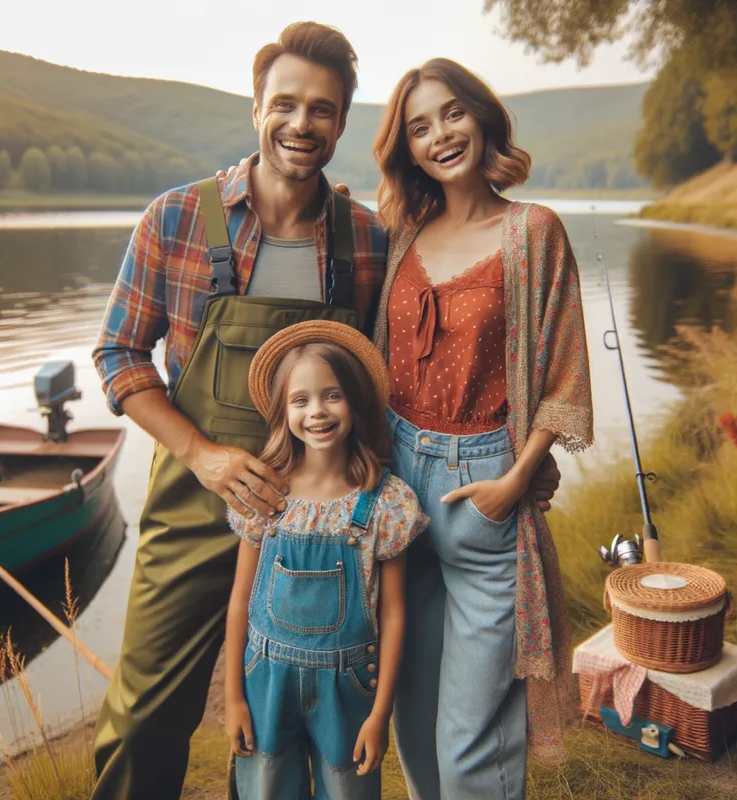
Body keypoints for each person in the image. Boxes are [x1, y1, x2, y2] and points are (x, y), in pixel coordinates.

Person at [92, 20, 562, 797]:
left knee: (329, 723)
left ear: (342, 122)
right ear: (256, 108)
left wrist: (522, 462)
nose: (301, 124)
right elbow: (117, 355)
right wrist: (202, 456)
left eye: (322, 109)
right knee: (144, 716)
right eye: (286, 104)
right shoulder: (176, 218)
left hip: (330, 522)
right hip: (197, 507)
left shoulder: (371, 239)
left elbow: (408, 376)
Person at [371, 59, 594, 799]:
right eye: (419, 126)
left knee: (474, 742)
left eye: (452, 114)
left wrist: (516, 479)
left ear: (483, 117)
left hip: (483, 491)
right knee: (413, 720)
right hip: (399, 485)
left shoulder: (533, 232)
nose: (440, 135)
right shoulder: (402, 233)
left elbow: (562, 376)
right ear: (404, 147)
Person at [225, 320, 426, 798]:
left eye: (332, 396)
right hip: (265, 682)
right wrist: (233, 696)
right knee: (267, 787)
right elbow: (238, 602)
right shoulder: (264, 494)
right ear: (283, 410)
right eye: (301, 400)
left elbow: (393, 614)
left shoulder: (385, 502)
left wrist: (380, 714)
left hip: (348, 688)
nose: (317, 411)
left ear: (355, 402)